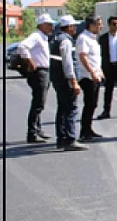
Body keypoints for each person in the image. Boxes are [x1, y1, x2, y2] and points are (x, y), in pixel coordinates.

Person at [17, 13, 56, 143]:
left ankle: (37, 130)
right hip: (39, 72)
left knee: (40, 102)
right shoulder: (36, 36)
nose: (52, 27)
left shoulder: (43, 37)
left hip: (44, 71)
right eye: (49, 25)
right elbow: (22, 47)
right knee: (38, 103)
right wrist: (30, 62)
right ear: (42, 25)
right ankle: (32, 133)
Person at [50, 15, 86, 151]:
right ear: (69, 27)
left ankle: (62, 138)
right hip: (65, 81)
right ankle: (70, 139)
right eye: (73, 26)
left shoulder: (56, 39)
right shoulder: (65, 41)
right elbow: (68, 64)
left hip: (58, 79)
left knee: (62, 109)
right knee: (71, 109)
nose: (75, 28)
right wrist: (74, 82)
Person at [75, 14, 104, 141]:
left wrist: (99, 70)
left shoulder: (93, 38)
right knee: (89, 103)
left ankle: (89, 128)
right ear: (91, 25)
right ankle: (84, 131)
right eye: (99, 24)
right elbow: (83, 56)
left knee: (93, 104)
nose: (101, 27)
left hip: (95, 75)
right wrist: (92, 72)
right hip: (87, 76)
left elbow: (95, 58)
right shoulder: (83, 38)